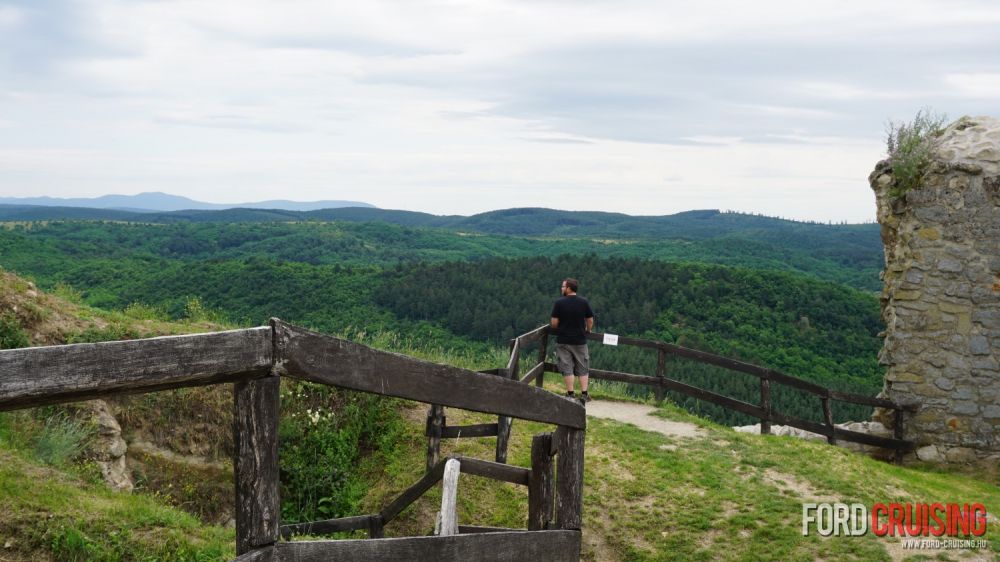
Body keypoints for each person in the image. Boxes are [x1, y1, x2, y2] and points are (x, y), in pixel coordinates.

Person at [550, 278, 594, 402]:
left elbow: (553, 323)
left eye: (563, 286)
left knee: (567, 367)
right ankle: (584, 394)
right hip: (580, 340)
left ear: (569, 288)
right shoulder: (583, 302)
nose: (562, 288)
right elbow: (590, 320)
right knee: (583, 366)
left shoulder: (559, 303)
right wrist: (588, 330)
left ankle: (570, 394)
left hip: (563, 340)